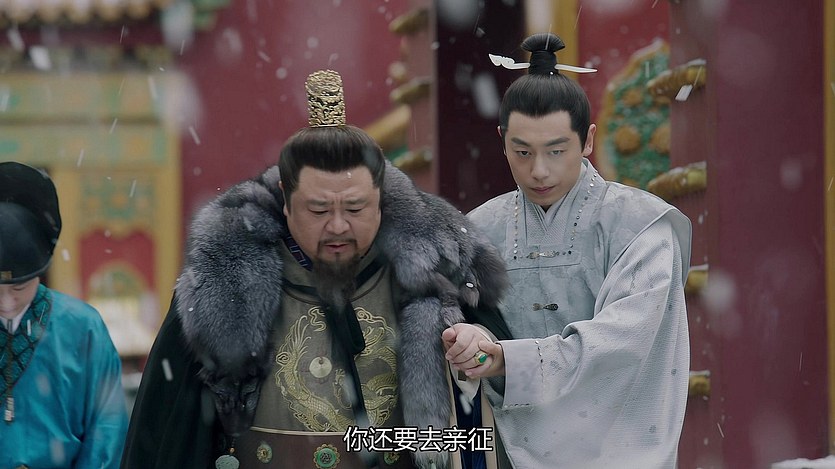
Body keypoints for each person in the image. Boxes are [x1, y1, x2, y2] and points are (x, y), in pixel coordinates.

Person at [121, 70, 510, 469]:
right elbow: (164, 431)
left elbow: (503, 385)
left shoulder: (437, 271)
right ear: (285, 200)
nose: (338, 226)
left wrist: (481, 351)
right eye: (318, 210)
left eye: (355, 208)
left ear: (380, 199)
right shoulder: (226, 282)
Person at [443, 33, 693, 468]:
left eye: (556, 151)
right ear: (502, 140)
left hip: (619, 449)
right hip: (511, 448)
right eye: (522, 152)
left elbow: (623, 341)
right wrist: (471, 341)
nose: (539, 171)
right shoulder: (479, 230)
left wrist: (511, 360)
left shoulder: (641, 226)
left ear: (588, 140)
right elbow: (464, 322)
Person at [0, 161, 128, 468]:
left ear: (40, 274)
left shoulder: (83, 327)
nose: (6, 302)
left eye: (18, 287)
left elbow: (107, 428)